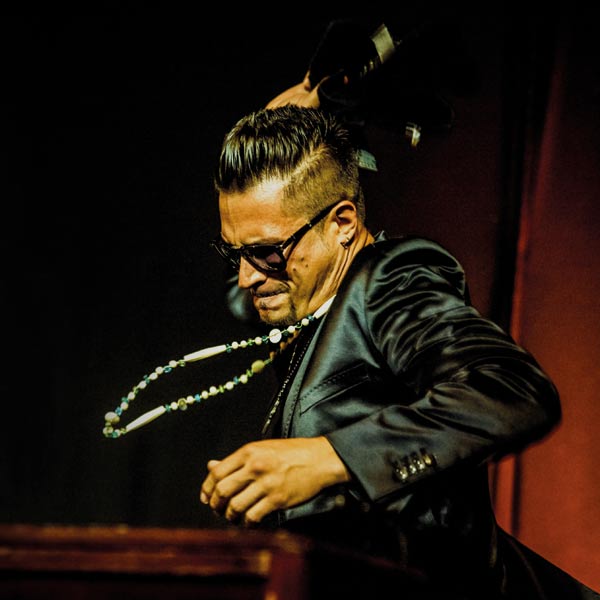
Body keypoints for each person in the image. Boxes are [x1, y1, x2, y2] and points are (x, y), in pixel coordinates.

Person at [198, 105, 599, 599]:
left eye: (265, 254)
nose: (247, 276)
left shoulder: (390, 281)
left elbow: (512, 388)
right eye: (233, 253)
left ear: (343, 223)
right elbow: (247, 276)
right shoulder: (299, 294)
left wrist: (330, 457)